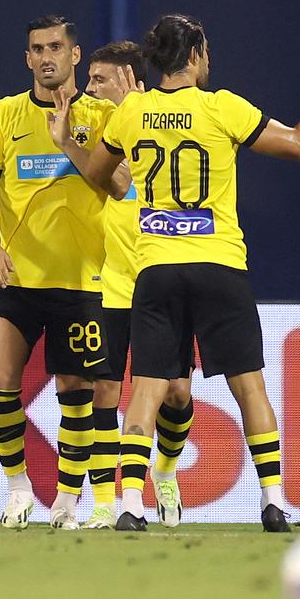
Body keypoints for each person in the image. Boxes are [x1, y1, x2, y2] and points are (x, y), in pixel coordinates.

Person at [80, 15, 300, 533]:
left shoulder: (133, 111)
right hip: (219, 263)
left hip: (157, 266)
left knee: (147, 390)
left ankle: (131, 506)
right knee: (249, 386)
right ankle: (272, 503)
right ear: (198, 55)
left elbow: (98, 175)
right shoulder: (221, 106)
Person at [0, 15, 121, 530]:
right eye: (36, 49)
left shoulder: (100, 116)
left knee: (77, 391)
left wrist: (73, 143)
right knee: (0, 378)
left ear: (75, 56)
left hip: (84, 280)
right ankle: (17, 487)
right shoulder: (4, 115)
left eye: (55, 47)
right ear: (27, 59)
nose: (46, 56)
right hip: (18, 279)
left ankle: (69, 499)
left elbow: (120, 184)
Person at [84, 40, 190, 529]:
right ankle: (107, 501)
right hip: (112, 285)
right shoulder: (97, 133)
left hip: (161, 281)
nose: (90, 89)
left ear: (130, 81)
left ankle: (165, 472)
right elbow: (104, 181)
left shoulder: (158, 126)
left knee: (176, 395)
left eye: (99, 80)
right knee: (104, 392)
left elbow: (128, 185)